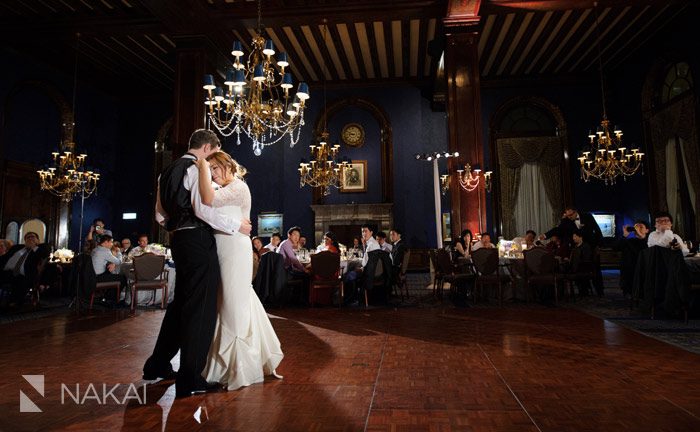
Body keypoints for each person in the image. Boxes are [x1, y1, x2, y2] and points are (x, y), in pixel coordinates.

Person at [143, 129, 252, 398]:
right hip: (197, 240)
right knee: (200, 308)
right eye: (213, 155)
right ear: (207, 148)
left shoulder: (166, 172)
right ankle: (191, 377)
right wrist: (236, 226)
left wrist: (175, 225)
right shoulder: (195, 168)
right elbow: (203, 209)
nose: (213, 163)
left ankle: (157, 363)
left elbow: (159, 214)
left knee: (181, 302)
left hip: (177, 241)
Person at [196, 150, 283, 390]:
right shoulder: (222, 188)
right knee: (231, 301)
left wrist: (201, 168)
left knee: (233, 303)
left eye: (215, 168)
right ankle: (244, 358)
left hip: (235, 249)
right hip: (223, 249)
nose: (212, 174)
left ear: (228, 166)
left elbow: (207, 201)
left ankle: (237, 366)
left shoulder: (239, 187)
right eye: (210, 169)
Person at [0, 232, 50, 307]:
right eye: (28, 237)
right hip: (6, 271)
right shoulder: (17, 248)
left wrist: (34, 247)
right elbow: (4, 257)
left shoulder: (40, 249)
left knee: (19, 279)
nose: (30, 238)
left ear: (38, 240)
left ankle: (14, 302)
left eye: (32, 237)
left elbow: (44, 255)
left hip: (25, 273)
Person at [615, 220, 650, 296]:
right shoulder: (630, 241)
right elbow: (616, 248)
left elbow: (645, 251)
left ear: (647, 230)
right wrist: (624, 235)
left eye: (641, 227)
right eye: (636, 227)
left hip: (644, 269)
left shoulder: (650, 241)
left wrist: (641, 237)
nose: (638, 229)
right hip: (630, 269)